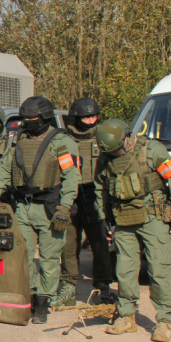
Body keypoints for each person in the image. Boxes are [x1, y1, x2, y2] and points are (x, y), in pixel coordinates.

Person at [95, 119, 171, 342]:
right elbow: (101, 187)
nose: (116, 154)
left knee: (159, 269)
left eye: (118, 149)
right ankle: (127, 316)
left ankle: (164, 321)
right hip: (123, 218)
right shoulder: (106, 156)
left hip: (153, 217)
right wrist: (102, 216)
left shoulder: (151, 150)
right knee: (125, 269)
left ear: (127, 138)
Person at [0, 96, 79, 324]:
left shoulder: (61, 141)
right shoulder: (18, 139)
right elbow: (6, 168)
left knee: (49, 258)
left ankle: (43, 302)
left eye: (32, 118)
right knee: (23, 255)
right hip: (23, 206)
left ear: (45, 118)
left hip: (50, 207)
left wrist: (65, 207)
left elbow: (71, 177)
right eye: (25, 118)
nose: (27, 122)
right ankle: (28, 295)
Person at [59, 97, 115, 305]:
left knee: (100, 244)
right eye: (86, 116)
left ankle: (103, 287)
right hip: (70, 196)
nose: (90, 120)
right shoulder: (63, 139)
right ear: (75, 117)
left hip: (96, 196)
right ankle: (68, 287)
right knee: (68, 244)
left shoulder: (104, 137)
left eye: (93, 116)